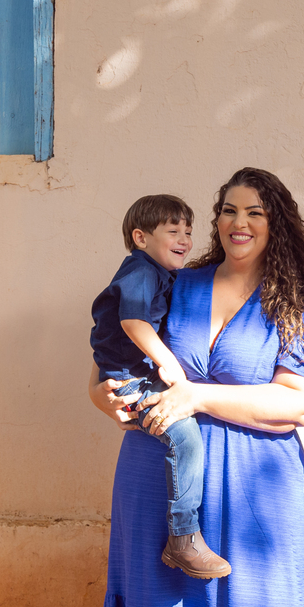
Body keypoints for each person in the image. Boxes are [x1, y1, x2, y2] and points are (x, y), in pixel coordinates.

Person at [88, 167, 304, 607]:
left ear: (276, 223)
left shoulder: (296, 302)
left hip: (254, 488)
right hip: (157, 475)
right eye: (228, 211)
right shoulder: (176, 282)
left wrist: (196, 396)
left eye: (255, 213)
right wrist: (103, 395)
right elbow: (113, 354)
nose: (239, 223)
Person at [88, 194, 231, 580]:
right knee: (185, 439)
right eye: (173, 231)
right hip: (132, 379)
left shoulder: (162, 274)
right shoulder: (140, 271)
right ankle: (183, 537)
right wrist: (169, 363)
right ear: (141, 238)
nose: (184, 239)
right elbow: (133, 322)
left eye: (188, 231)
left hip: (134, 374)